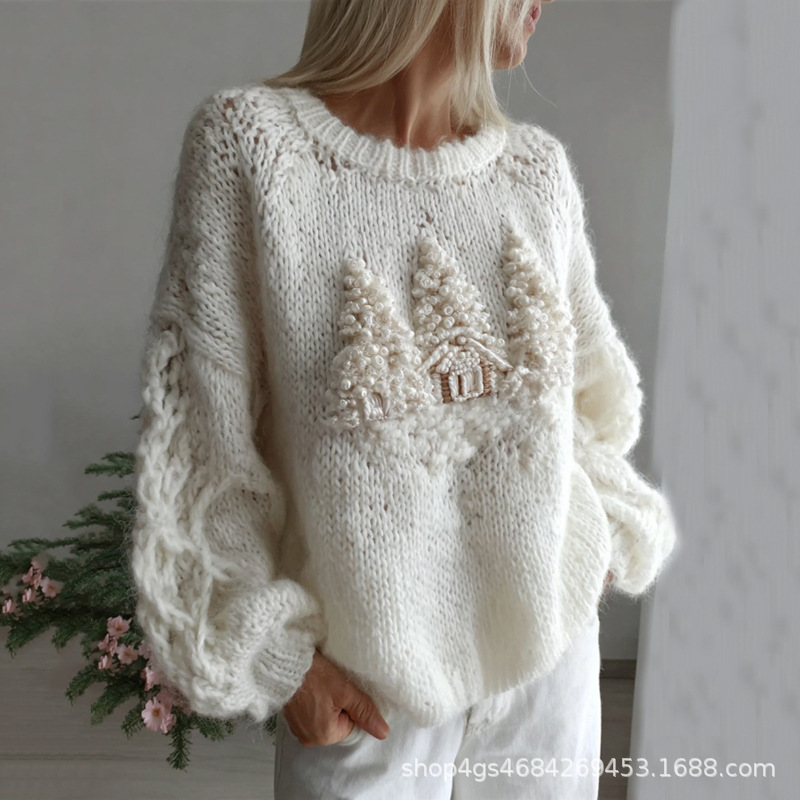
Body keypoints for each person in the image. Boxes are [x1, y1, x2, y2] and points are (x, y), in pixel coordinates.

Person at [129, 0, 678, 797]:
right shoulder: (252, 148)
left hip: (546, 679)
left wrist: (591, 543)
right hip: (367, 693)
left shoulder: (535, 171)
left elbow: (589, 406)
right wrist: (282, 660)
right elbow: (203, 448)